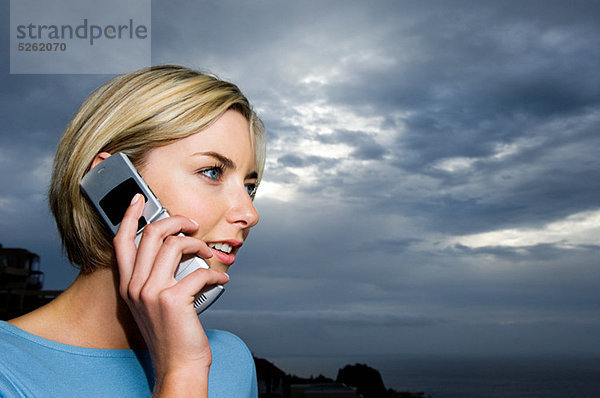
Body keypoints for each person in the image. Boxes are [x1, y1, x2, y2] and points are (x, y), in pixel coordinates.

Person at [0, 65, 266, 397]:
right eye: (212, 172)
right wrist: (180, 373)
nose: (249, 213)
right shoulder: (7, 372)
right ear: (112, 182)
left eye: (250, 187)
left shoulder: (230, 361)